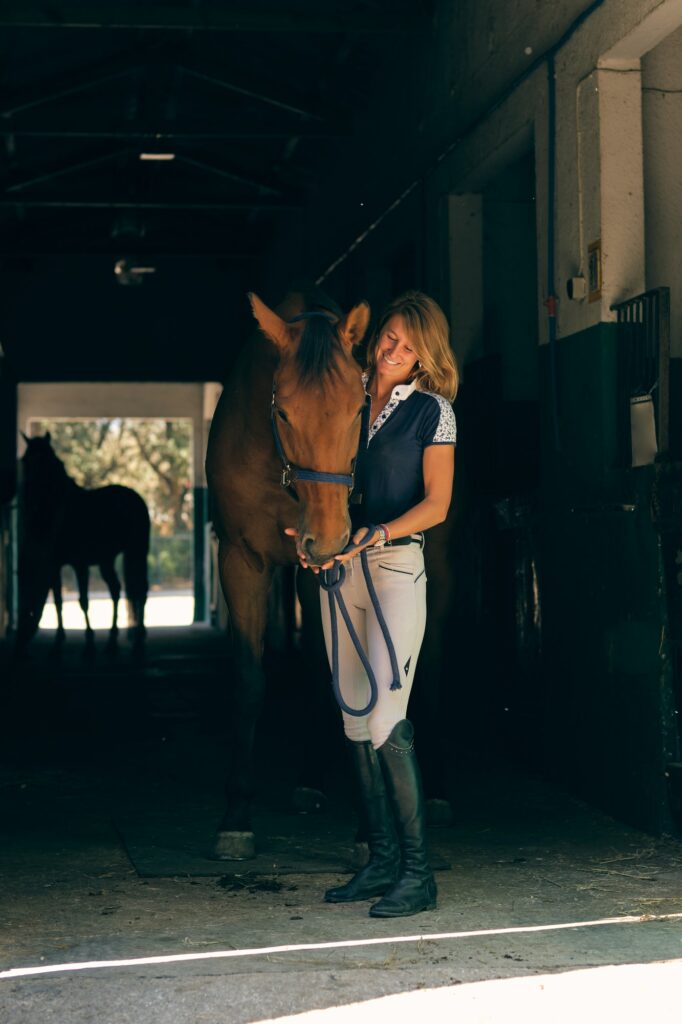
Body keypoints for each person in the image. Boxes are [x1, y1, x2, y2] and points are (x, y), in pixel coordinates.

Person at [287, 290, 458, 918]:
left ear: (424, 358)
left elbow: (437, 505)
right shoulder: (346, 392)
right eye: (390, 335)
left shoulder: (433, 413)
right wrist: (311, 529)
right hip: (340, 570)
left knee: (387, 721)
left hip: (392, 567)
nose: (394, 349)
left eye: (410, 346)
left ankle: (419, 874)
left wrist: (379, 532)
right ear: (376, 333)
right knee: (353, 720)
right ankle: (381, 860)